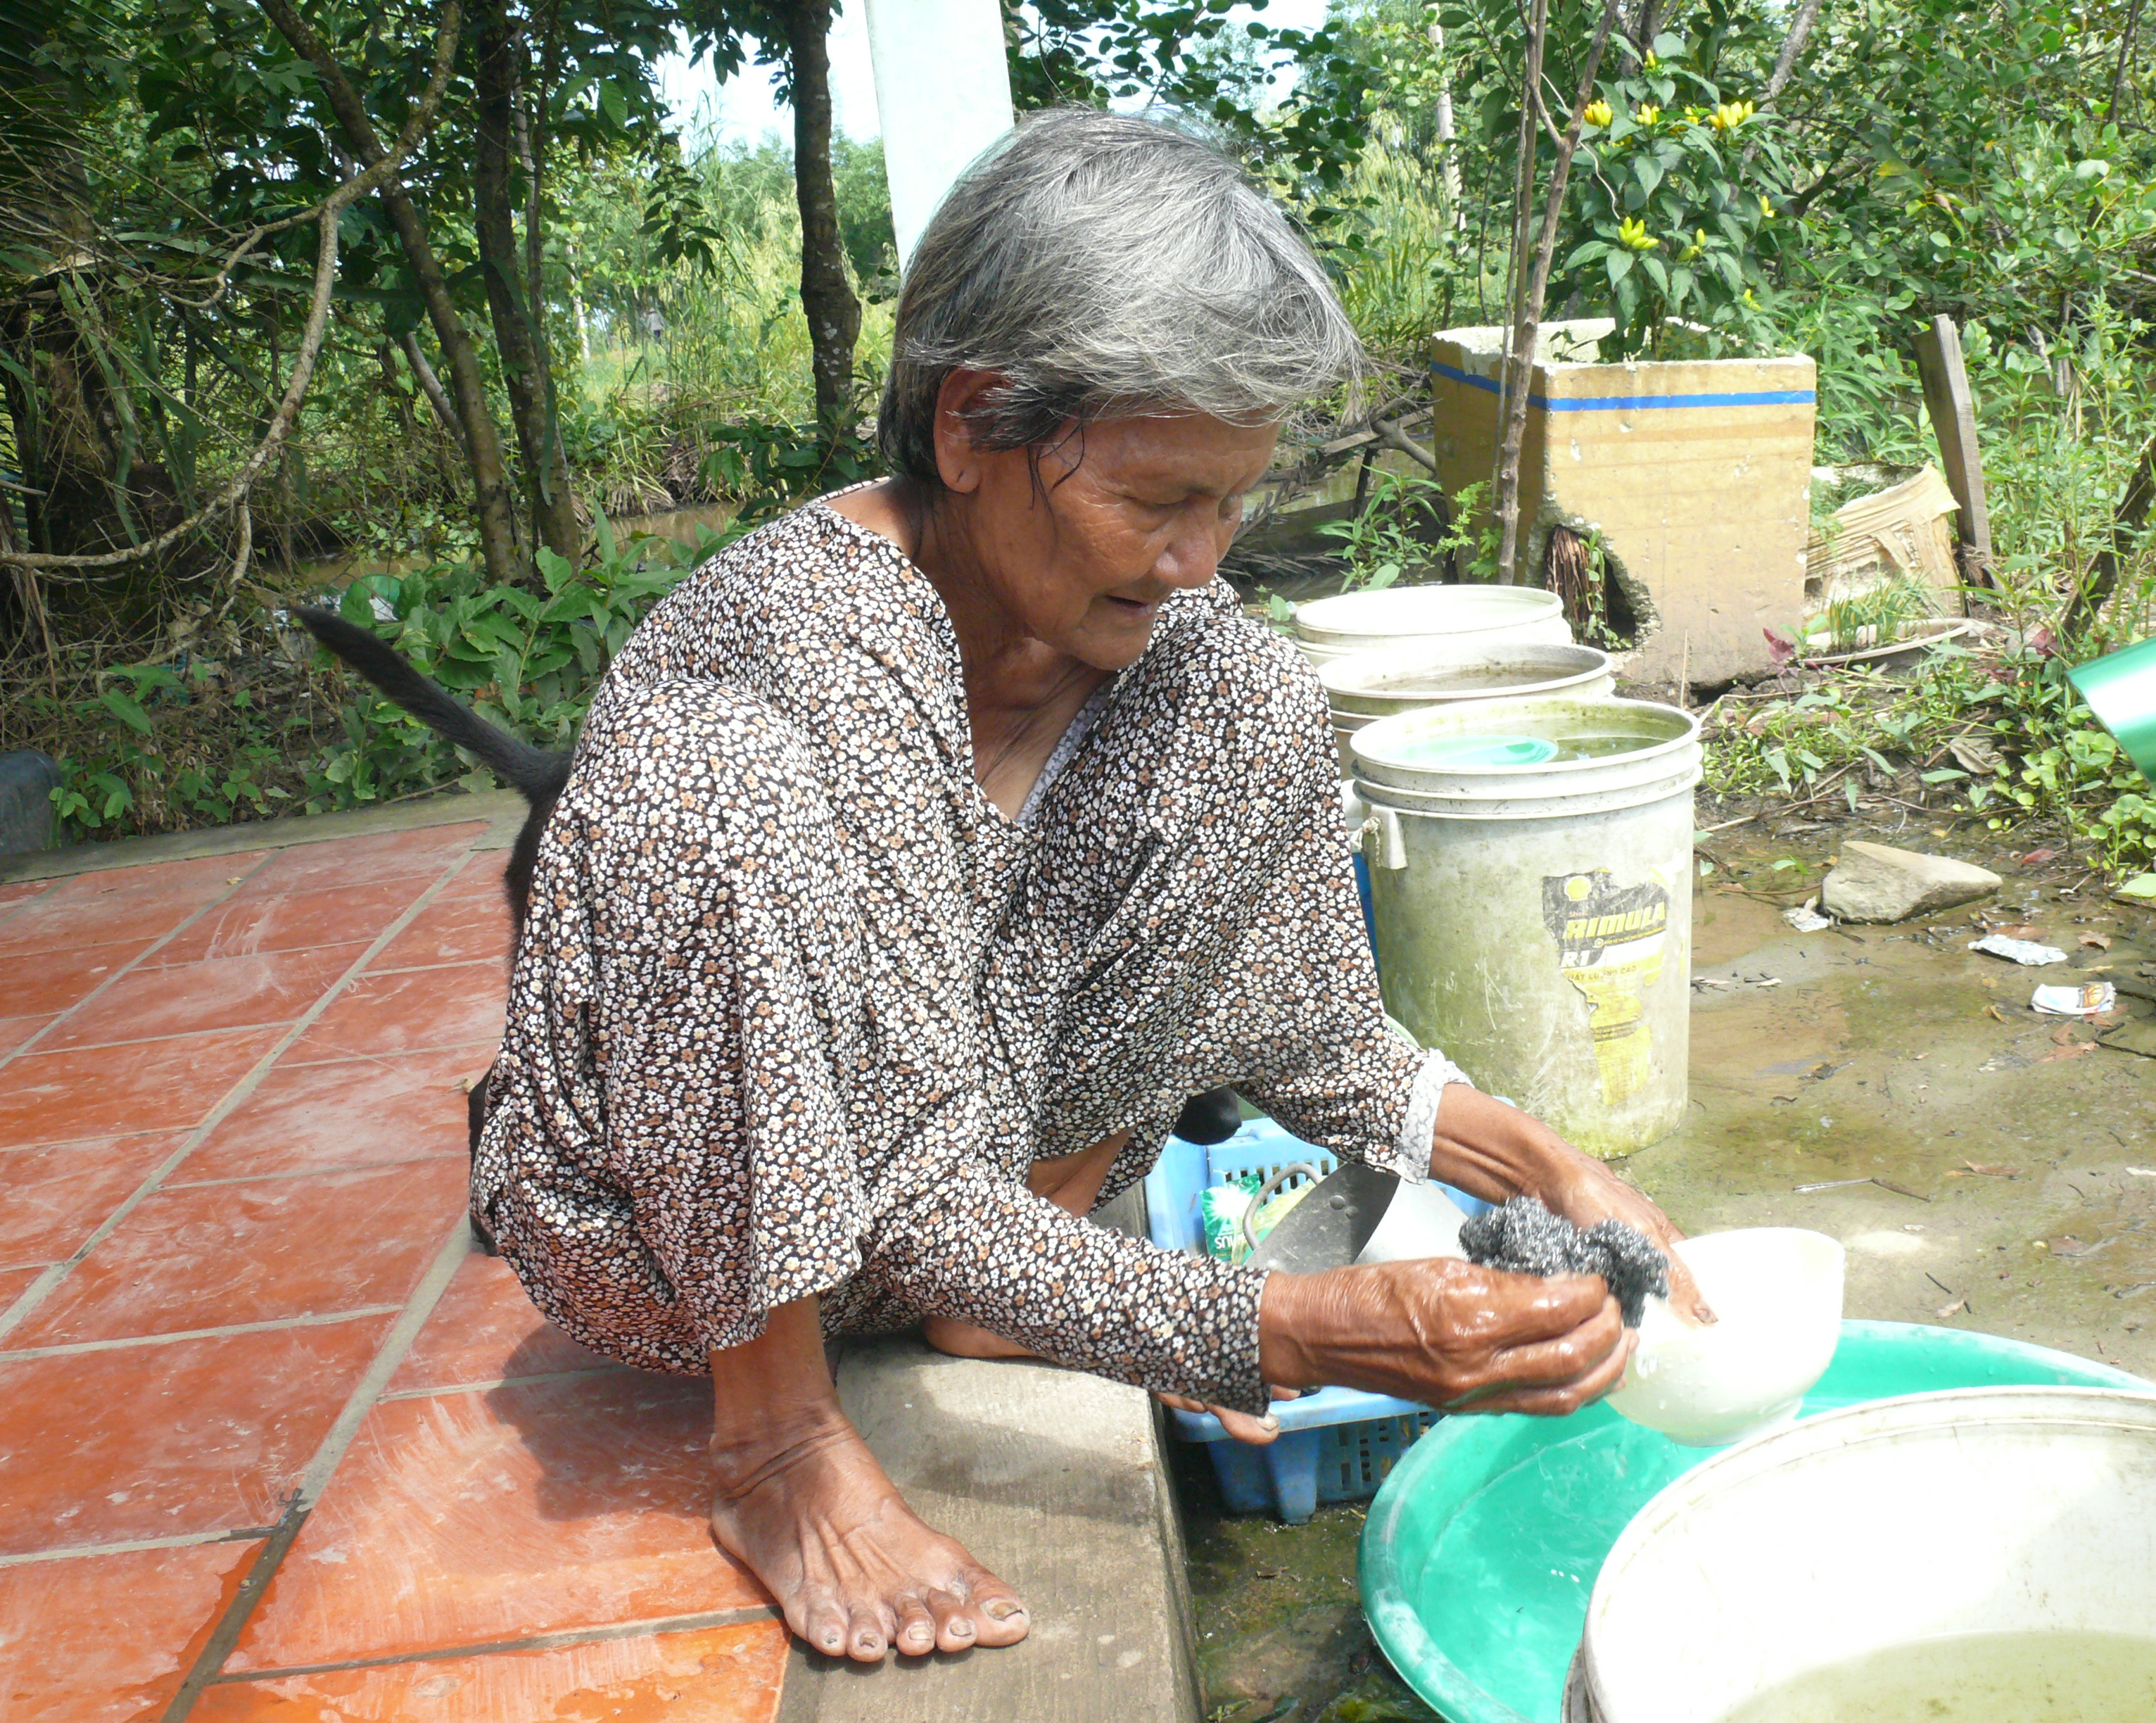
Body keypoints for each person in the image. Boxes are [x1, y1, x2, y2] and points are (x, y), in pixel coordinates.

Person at [473, 108, 1708, 1667]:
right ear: (973, 426)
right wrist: (1294, 1332)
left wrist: (1544, 1172)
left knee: (1251, 692)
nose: (1197, 556)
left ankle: (1023, 1280)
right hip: (698, 1246)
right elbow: (903, 1201)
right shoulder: (807, 659)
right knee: (710, 789)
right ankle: (776, 1440)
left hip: (974, 1192)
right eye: (1155, 502)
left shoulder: (1168, 666)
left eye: (1229, 503)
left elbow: (1309, 1025)